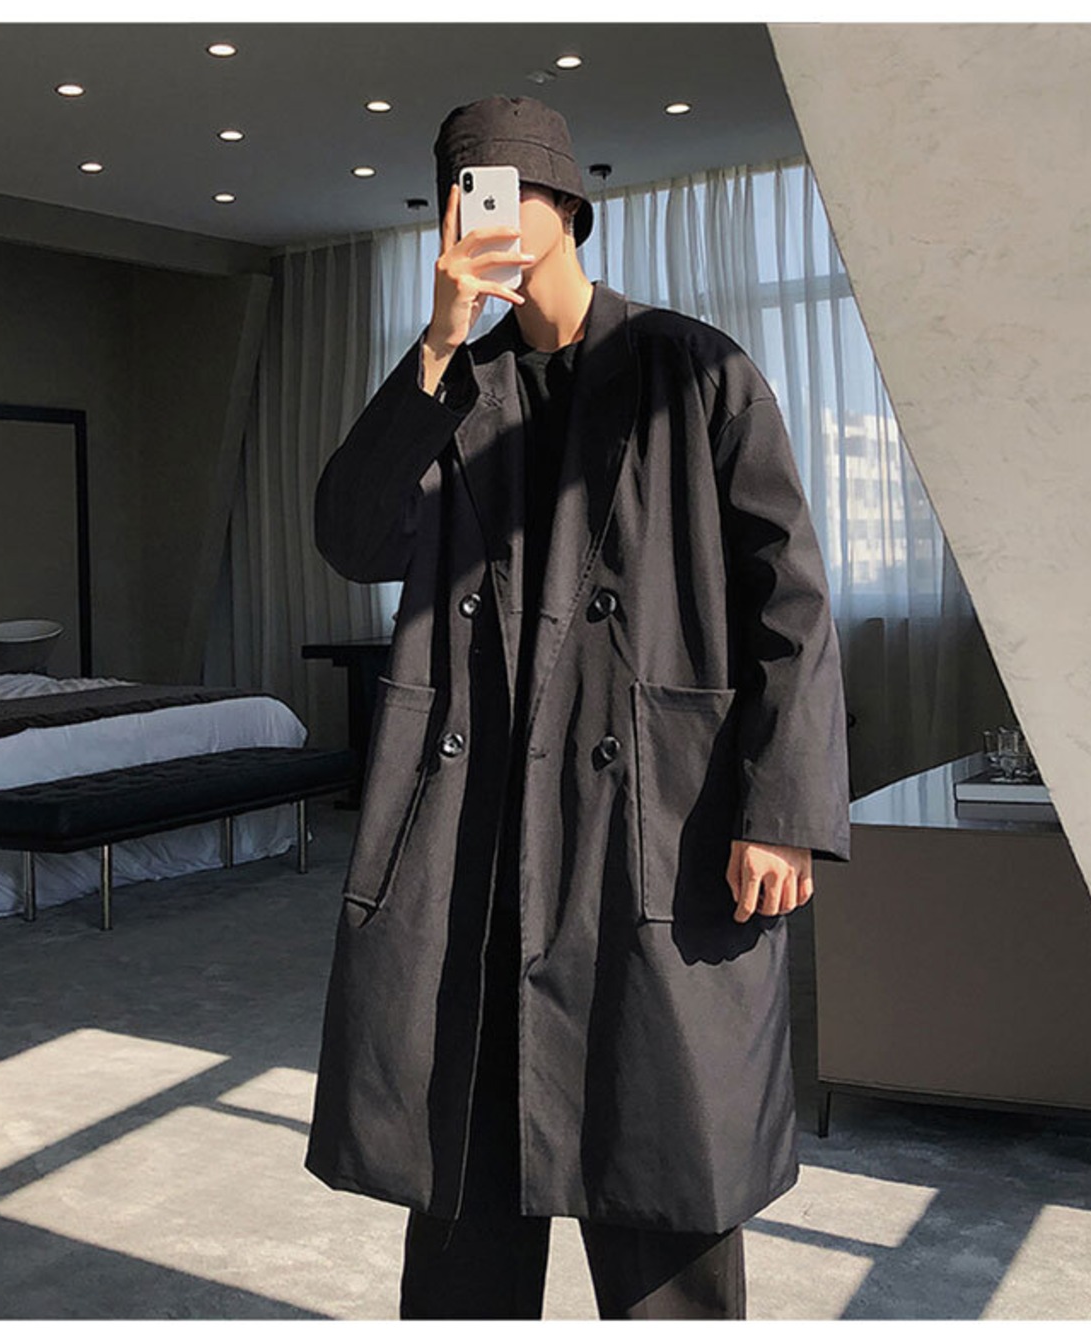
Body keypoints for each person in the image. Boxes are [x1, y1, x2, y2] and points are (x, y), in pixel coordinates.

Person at [305, 95, 851, 1319]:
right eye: (461, 199)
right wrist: (436, 344)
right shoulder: (451, 384)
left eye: (507, 193)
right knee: (463, 1195)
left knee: (661, 1177)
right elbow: (352, 537)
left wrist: (779, 808)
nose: (483, 219)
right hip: (478, 834)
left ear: (564, 207)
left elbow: (792, 599)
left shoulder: (691, 367)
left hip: (649, 825)